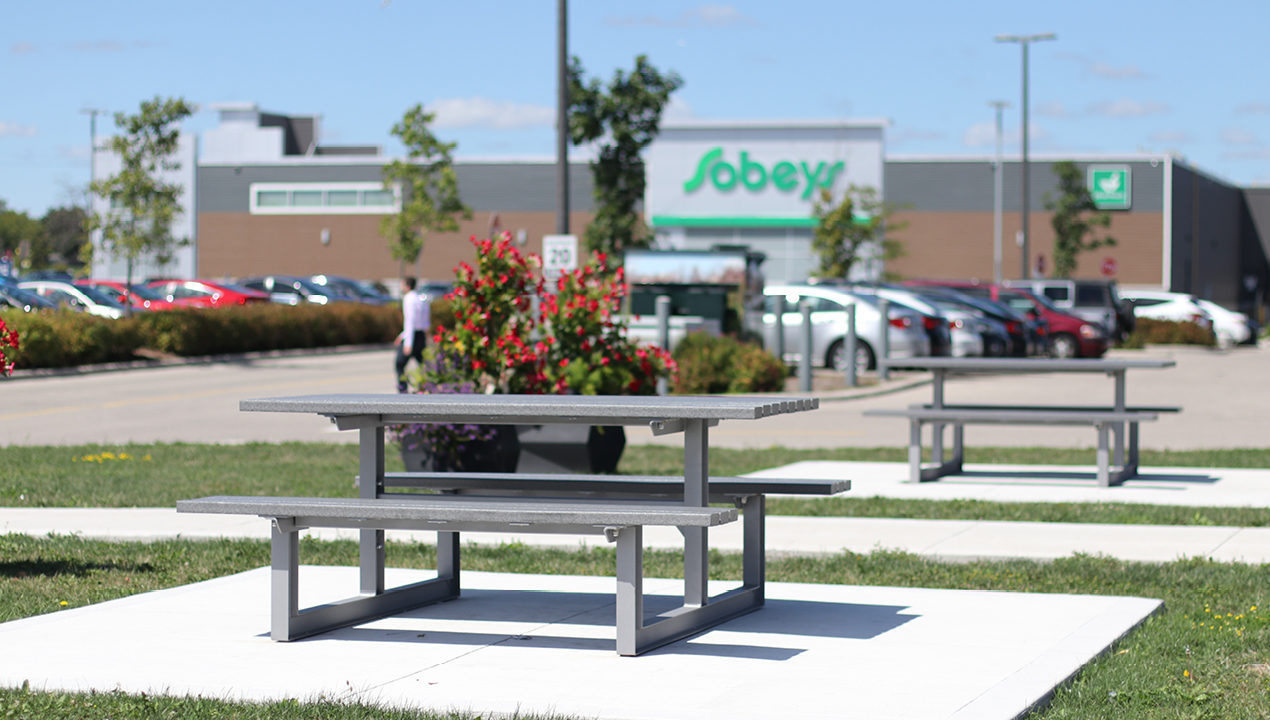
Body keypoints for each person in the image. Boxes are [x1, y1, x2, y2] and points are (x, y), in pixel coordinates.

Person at [394, 277, 430, 392]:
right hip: (420, 335)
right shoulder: (421, 298)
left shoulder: (408, 298)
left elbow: (410, 320)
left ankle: (403, 390)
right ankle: (424, 388)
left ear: (407, 286)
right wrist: (402, 336)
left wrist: (408, 343)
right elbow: (425, 320)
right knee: (423, 366)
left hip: (412, 337)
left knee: (399, 364)